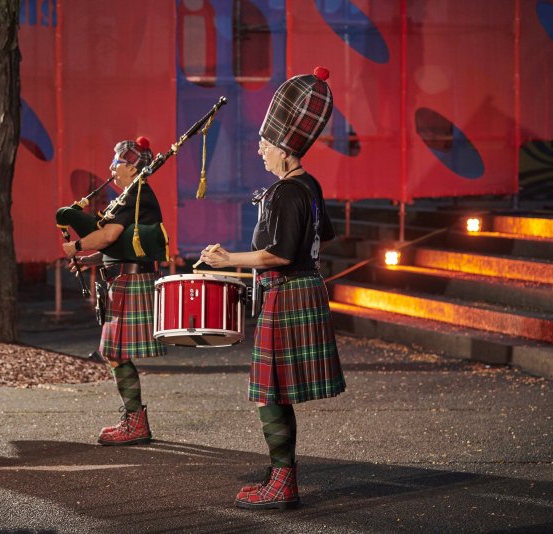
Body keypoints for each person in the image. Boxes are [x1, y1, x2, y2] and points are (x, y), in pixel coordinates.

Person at [200, 66, 346, 510]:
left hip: (287, 292)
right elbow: (322, 237)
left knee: (269, 394)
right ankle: (282, 473)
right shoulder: (309, 186)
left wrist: (229, 261)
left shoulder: (287, 192)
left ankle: (283, 480)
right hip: (302, 290)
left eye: (266, 143)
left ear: (285, 149)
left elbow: (279, 254)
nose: (260, 149)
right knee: (275, 392)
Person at [63, 136, 166, 446]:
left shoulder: (136, 196)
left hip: (131, 283)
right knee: (115, 353)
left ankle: (135, 423)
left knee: (114, 353)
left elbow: (108, 236)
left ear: (133, 168)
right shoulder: (130, 197)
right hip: (123, 281)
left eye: (117, 162)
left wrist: (77, 246)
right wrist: (88, 260)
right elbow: (119, 247)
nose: (111, 167)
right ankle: (135, 421)